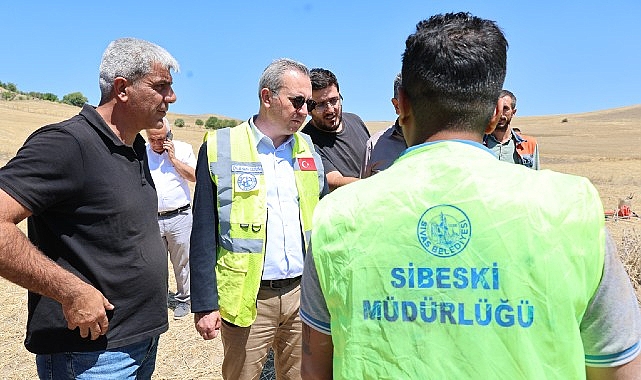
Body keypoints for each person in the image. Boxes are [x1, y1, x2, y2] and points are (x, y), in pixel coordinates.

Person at [300, 12, 641, 380]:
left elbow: (315, 367)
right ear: (496, 112)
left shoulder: (336, 217)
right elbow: (618, 365)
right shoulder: (572, 208)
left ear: (402, 102)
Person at [0, 37, 179, 378]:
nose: (171, 97)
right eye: (161, 87)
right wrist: (70, 291)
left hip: (139, 340)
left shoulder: (133, 147)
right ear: (122, 88)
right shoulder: (67, 143)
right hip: (89, 355)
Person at [190, 58, 326, 380]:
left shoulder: (307, 148)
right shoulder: (220, 146)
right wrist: (205, 303)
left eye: (308, 103)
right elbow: (204, 230)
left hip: (300, 297)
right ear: (267, 97)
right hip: (248, 300)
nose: (305, 111)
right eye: (297, 101)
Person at [146, 117, 196, 320]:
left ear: (169, 135)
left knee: (182, 261)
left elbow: (194, 176)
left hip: (180, 216)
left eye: (161, 139)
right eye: (152, 139)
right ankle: (157, 302)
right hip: (152, 219)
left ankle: (184, 299)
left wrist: (173, 159)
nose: (157, 143)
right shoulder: (141, 153)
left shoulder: (183, 149)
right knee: (155, 262)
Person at [300, 68, 370, 191]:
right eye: (320, 104)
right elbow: (333, 182)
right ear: (309, 108)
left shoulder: (355, 120)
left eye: (333, 101)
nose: (330, 110)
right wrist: (377, 184)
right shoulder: (306, 142)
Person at [360, 72, 407, 178]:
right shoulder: (375, 146)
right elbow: (365, 190)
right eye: (409, 102)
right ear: (396, 105)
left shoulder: (440, 143)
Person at [483, 89, 540, 169]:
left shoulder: (529, 144)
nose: (500, 113)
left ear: (513, 112)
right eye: (495, 108)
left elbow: (534, 178)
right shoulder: (477, 143)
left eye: (505, 108)